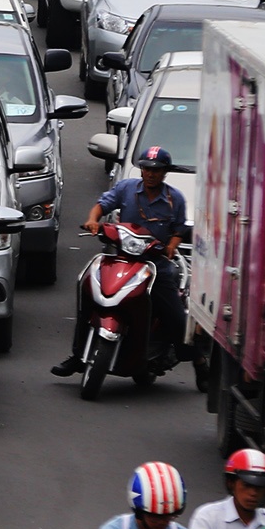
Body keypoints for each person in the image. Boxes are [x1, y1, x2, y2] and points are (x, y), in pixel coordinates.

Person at [53, 146, 188, 378]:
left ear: (165, 172)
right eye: (147, 169)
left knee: (176, 316)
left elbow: (179, 230)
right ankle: (78, 355)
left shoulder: (174, 199)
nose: (151, 174)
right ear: (141, 170)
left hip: (156, 266)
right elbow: (102, 205)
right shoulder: (126, 188)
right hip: (122, 259)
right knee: (88, 293)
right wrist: (93, 221)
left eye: (157, 170)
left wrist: (171, 246)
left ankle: (193, 357)